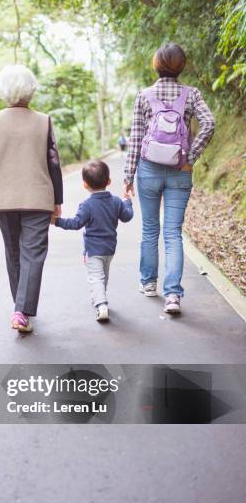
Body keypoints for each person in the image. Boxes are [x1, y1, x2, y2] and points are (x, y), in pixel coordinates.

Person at [0, 64, 63, 333]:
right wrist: (58, 200)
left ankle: (20, 310)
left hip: (4, 200)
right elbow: (54, 162)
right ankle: (21, 311)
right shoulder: (44, 120)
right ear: (30, 89)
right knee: (33, 253)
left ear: (3, 91)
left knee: (13, 252)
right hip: (38, 197)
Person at [124, 42, 215, 314]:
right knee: (173, 233)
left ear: (156, 64)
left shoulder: (144, 95)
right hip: (180, 171)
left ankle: (149, 283)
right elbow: (209, 123)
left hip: (148, 170)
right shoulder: (192, 94)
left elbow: (136, 139)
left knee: (150, 229)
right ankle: (173, 295)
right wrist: (190, 156)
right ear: (181, 66)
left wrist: (128, 176)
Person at [53, 159, 133, 322]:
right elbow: (127, 216)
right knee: (103, 275)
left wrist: (56, 221)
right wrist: (128, 201)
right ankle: (99, 298)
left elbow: (75, 224)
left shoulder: (87, 205)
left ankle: (101, 304)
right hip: (110, 249)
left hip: (93, 250)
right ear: (109, 181)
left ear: (85, 185)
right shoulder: (117, 202)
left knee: (96, 277)